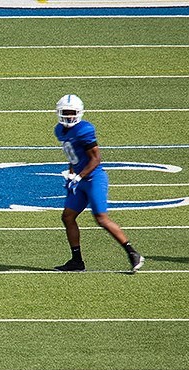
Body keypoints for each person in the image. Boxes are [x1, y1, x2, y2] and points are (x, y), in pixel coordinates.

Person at [53, 94, 144, 273]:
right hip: (79, 180)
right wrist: (71, 174)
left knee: (101, 219)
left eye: (72, 113)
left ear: (79, 113)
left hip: (94, 179)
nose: (69, 116)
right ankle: (77, 261)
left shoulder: (84, 129)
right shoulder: (59, 130)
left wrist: (78, 177)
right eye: (66, 112)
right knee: (67, 217)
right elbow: (73, 157)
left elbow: (95, 159)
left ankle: (133, 253)